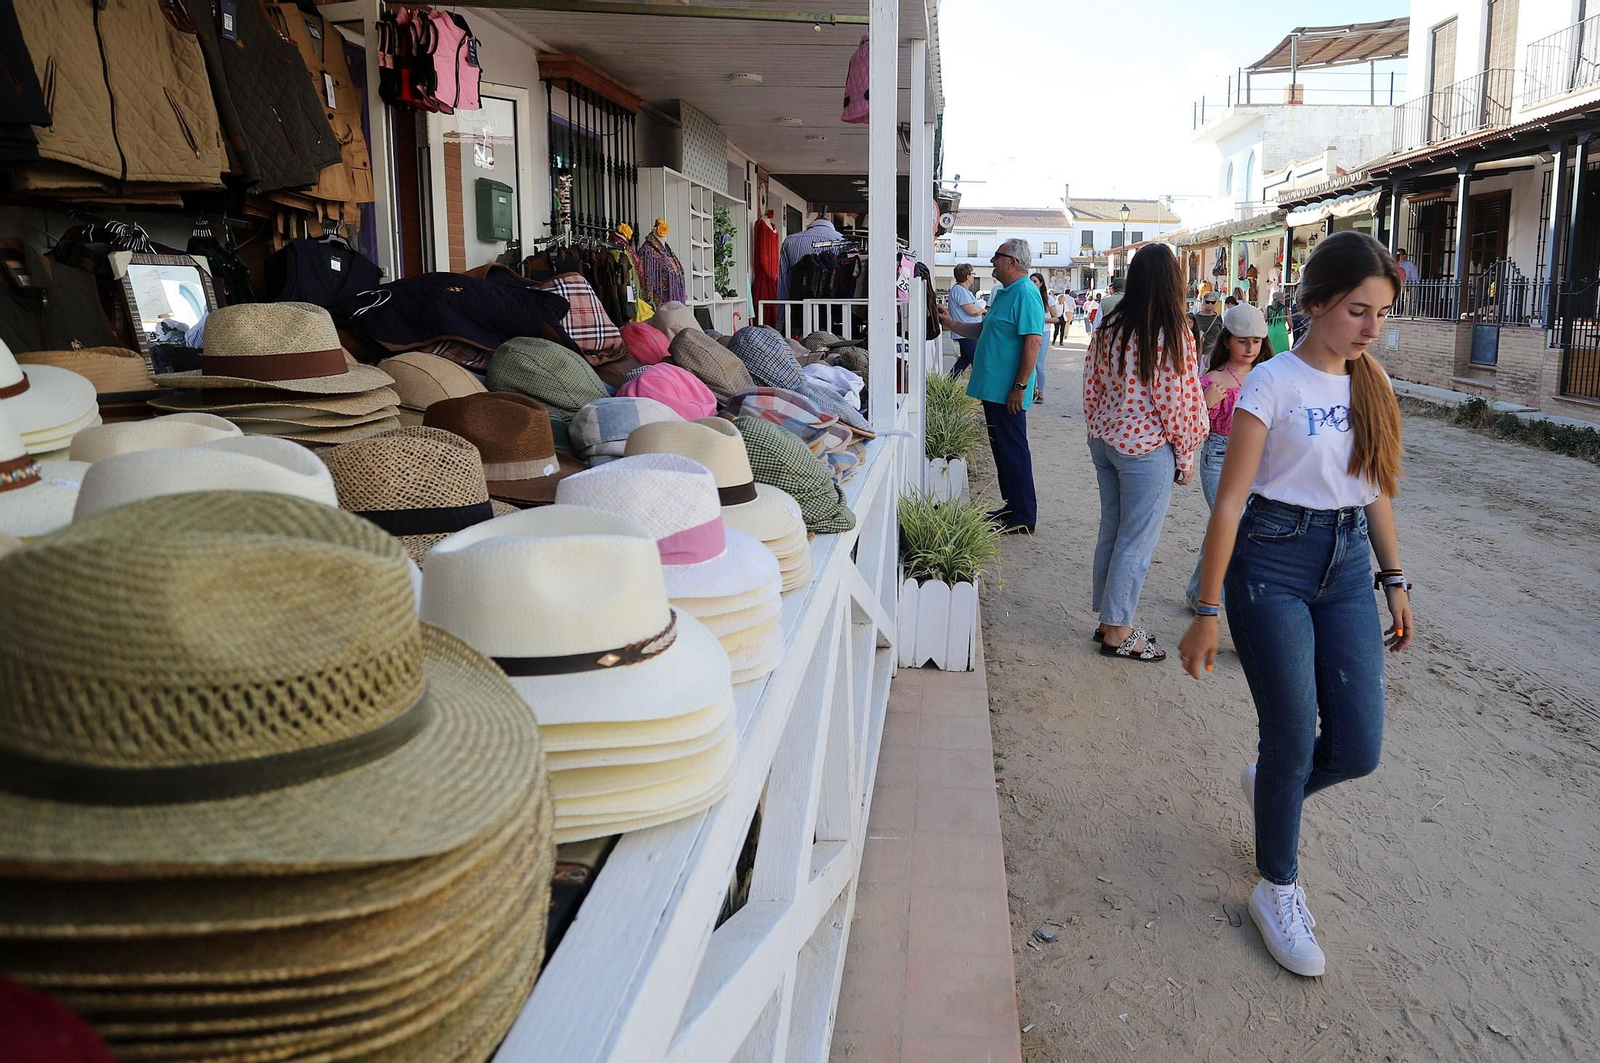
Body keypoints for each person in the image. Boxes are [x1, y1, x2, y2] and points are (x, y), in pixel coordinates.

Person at [1177, 230, 1413, 980]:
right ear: (1314, 303)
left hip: (1345, 566)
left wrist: (1394, 578)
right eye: (1357, 310)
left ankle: (1271, 784)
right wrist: (1206, 610)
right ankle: (1276, 887)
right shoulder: (1271, 383)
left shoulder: (1370, 383)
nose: (1371, 328)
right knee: (1289, 735)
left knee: (1357, 748)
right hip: (1271, 563)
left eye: (1380, 313)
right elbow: (1229, 503)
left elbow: (1375, 488)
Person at [1083, 246, 1207, 661]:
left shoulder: (1110, 325)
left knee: (1113, 530)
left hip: (1107, 439)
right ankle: (1118, 630)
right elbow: (1177, 399)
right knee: (1136, 540)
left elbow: (1091, 382)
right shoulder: (1171, 330)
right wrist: (1185, 454)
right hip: (1147, 446)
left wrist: (1097, 427)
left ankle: (1108, 621)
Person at [937, 238, 1044, 534]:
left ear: (1012, 262)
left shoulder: (1026, 293)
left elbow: (1033, 341)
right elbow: (983, 330)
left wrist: (1020, 386)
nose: (992, 261)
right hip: (994, 388)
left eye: (997, 256)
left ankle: (1023, 515)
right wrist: (951, 324)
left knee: (1013, 450)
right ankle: (1013, 506)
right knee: (1003, 450)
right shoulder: (1005, 293)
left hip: (1008, 390)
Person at [1183, 302, 1273, 611]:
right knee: (1230, 524)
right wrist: (1204, 405)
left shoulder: (1269, 376)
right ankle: (1222, 601)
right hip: (1219, 457)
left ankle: (1199, 593)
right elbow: (1190, 427)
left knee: (1224, 525)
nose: (1250, 348)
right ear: (1227, 341)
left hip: (1257, 459)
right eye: (1242, 341)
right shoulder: (1211, 381)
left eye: (1256, 341)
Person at [946, 263, 985, 378]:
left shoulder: (962, 290)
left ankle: (949, 382)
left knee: (965, 359)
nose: (973, 276)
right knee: (977, 362)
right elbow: (971, 311)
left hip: (967, 332)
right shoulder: (960, 290)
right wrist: (983, 310)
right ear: (968, 276)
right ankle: (980, 385)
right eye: (972, 274)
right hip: (967, 333)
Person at [1030, 273, 1054, 403]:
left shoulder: (1048, 299)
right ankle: (1031, 390)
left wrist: (1043, 319)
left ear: (1041, 283)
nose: (1033, 283)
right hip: (1030, 332)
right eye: (1031, 281)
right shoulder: (1028, 296)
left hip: (1043, 332)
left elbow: (1056, 318)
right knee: (1030, 364)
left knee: (1039, 364)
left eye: (1035, 281)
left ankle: (1041, 393)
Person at [1192, 290, 1223, 354]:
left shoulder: (1218, 318)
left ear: (1216, 303)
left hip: (1215, 353)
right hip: (1200, 353)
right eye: (1207, 302)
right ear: (1203, 302)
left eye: (1213, 302)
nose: (1210, 304)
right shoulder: (1196, 318)